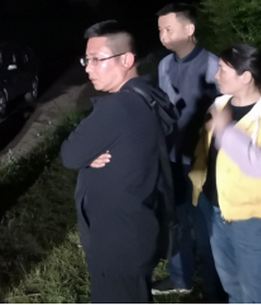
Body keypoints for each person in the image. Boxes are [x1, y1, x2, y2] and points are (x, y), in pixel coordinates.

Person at [60, 20, 176, 302]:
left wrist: (87, 156)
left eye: (97, 59)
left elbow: (70, 154)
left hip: (116, 237)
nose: (88, 68)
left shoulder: (118, 107)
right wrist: (92, 155)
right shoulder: (149, 94)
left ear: (126, 60)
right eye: (86, 60)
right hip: (140, 224)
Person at [189, 44, 261, 303]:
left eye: (223, 70)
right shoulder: (220, 105)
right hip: (217, 212)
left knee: (259, 293)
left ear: (246, 76)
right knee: (233, 286)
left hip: (254, 220)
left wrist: (226, 130)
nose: (216, 76)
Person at [153, 3, 222, 299]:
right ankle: (181, 277)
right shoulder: (164, 65)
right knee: (176, 220)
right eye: (160, 30)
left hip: (203, 161)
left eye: (168, 29)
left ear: (189, 29)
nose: (162, 36)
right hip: (171, 156)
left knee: (207, 227)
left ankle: (214, 287)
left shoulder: (214, 67)